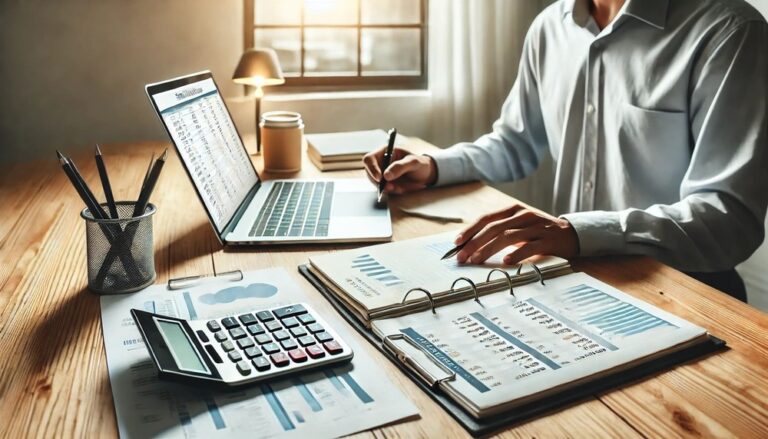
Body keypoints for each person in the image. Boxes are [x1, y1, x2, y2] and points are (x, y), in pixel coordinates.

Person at [363, 0, 768, 301]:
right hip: (575, 282)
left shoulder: (729, 31)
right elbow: (515, 142)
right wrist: (434, 166)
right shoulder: (549, 27)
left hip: (690, 293)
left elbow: (728, 221)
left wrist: (578, 232)